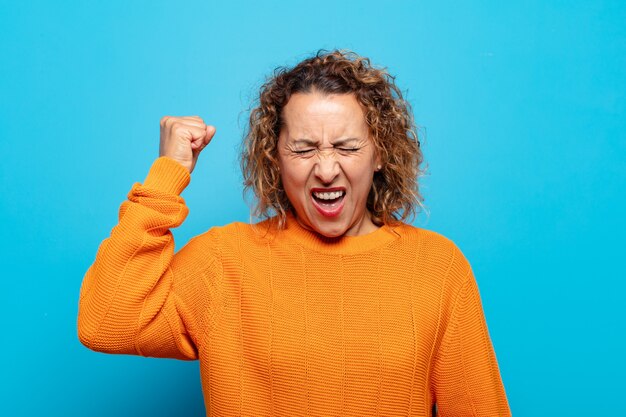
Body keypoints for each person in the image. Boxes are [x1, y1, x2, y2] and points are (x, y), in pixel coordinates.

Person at [77, 50, 511, 416]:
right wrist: (166, 177)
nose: (325, 169)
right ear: (275, 158)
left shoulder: (436, 267)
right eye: (303, 149)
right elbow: (103, 321)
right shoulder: (223, 261)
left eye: (347, 147)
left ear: (380, 154)